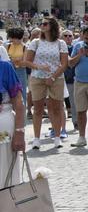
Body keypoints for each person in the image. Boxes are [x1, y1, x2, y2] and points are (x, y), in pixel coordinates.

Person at [25, 16, 69, 150]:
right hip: (38, 77)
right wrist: (39, 67)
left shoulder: (61, 43)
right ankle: (36, 138)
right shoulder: (36, 42)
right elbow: (27, 61)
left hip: (56, 79)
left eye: (45, 24)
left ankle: (57, 137)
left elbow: (64, 64)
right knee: (37, 109)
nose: (42, 26)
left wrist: (53, 77)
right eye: (41, 24)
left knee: (56, 109)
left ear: (52, 26)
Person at [0, 59, 29, 212]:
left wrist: (20, 132)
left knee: (8, 175)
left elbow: (19, 102)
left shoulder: (4, 67)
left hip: (3, 127)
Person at [5, 28, 29, 105]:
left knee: (22, 93)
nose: (16, 40)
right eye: (14, 38)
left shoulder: (25, 47)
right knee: (9, 93)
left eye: (18, 38)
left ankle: (22, 115)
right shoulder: (8, 46)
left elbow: (24, 63)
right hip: (9, 72)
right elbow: (6, 60)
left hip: (20, 72)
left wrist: (12, 60)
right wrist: (17, 60)